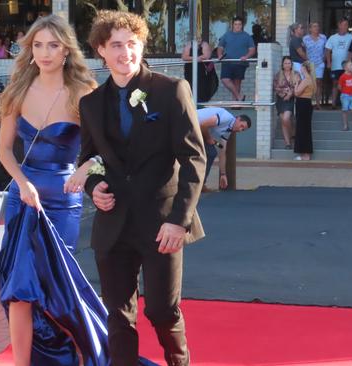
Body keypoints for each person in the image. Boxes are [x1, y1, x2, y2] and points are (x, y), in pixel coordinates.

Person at [80, 10, 206, 366]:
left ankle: (179, 363)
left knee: (163, 311)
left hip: (162, 223)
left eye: (132, 44)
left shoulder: (170, 91)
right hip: (113, 225)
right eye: (116, 45)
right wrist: (94, 187)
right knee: (118, 317)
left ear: (141, 45)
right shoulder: (89, 104)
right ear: (101, 50)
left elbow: (194, 159)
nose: (126, 53)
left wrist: (179, 221)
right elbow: (88, 159)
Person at [0, 14, 121, 366]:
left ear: (66, 50)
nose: (45, 52)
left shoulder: (84, 91)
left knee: (56, 288)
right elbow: (4, 150)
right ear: (30, 49)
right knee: (19, 290)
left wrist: (84, 168)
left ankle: (75, 354)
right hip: (23, 199)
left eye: (53, 45)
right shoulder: (17, 89)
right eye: (38, 45)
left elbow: (106, 150)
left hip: (63, 203)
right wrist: (22, 185)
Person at [196, 107, 251, 190]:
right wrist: (208, 138)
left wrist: (223, 174)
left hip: (197, 131)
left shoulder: (227, 131)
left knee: (211, 153)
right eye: (241, 126)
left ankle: (199, 184)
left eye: (243, 130)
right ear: (238, 119)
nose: (240, 130)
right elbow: (203, 124)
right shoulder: (226, 117)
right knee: (209, 153)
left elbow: (222, 152)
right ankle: (197, 185)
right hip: (189, 124)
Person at [217, 16, 255, 101]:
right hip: (227, 61)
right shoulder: (226, 35)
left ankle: (236, 103)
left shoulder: (247, 36)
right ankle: (239, 97)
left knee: (237, 83)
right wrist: (219, 55)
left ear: (242, 25)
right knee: (225, 79)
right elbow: (220, 47)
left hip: (240, 63)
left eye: (239, 24)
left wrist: (246, 57)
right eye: (235, 24)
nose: (237, 26)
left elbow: (252, 50)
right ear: (232, 25)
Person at [325, 17, 352, 108]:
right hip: (336, 65)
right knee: (335, 84)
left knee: (348, 84)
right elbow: (327, 51)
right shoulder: (333, 38)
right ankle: (333, 103)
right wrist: (329, 62)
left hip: (347, 67)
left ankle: (346, 104)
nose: (345, 27)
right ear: (339, 25)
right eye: (343, 24)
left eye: (346, 25)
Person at [274, 56, 299, 148]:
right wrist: (284, 93)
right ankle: (288, 143)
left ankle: (292, 131)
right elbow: (276, 87)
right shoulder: (278, 74)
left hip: (291, 100)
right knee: (283, 121)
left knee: (286, 119)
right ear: (282, 65)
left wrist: (289, 94)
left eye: (289, 63)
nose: (287, 65)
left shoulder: (296, 74)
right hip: (280, 100)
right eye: (285, 63)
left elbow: (297, 85)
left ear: (291, 64)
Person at [294, 61, 316, 161]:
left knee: (303, 129)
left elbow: (297, 92)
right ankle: (305, 153)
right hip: (306, 104)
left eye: (302, 68)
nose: (300, 70)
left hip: (303, 104)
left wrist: (296, 83)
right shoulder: (311, 79)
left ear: (305, 69)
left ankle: (305, 154)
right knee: (304, 128)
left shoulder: (306, 80)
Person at [181, 36, 213, 103]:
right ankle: (191, 103)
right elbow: (184, 57)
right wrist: (196, 58)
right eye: (196, 38)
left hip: (202, 69)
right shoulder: (189, 44)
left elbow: (207, 56)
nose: (198, 39)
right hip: (189, 70)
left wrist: (194, 58)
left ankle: (201, 103)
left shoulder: (204, 44)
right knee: (189, 85)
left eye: (199, 38)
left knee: (202, 86)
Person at [303, 22, 327, 107]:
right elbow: (303, 50)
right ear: (310, 29)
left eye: (317, 26)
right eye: (314, 26)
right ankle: (309, 102)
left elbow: (326, 49)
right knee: (310, 82)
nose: (316, 28)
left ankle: (318, 103)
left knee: (319, 82)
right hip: (310, 64)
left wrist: (324, 59)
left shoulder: (323, 37)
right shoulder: (305, 38)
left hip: (320, 63)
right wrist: (306, 62)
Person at [339, 61, 352, 131]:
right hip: (345, 96)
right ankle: (345, 126)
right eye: (350, 65)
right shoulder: (342, 77)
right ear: (345, 68)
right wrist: (344, 92)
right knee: (345, 111)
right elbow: (339, 87)